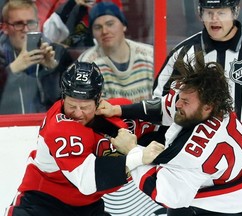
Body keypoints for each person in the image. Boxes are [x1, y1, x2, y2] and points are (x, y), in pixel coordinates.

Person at [96, 53, 242, 215]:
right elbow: (165, 107)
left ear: (207, 107)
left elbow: (164, 195)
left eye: (185, 102)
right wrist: (118, 110)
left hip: (236, 204)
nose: (178, 104)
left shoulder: (194, 152)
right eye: (181, 98)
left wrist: (132, 151)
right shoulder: (218, 107)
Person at [152, 1, 242, 214]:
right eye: (209, 12)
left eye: (221, 12)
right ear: (200, 14)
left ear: (235, 12)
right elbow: (161, 102)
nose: (215, 19)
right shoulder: (184, 52)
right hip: (195, 169)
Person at [4, 60, 162, 216]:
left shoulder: (119, 115)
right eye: (72, 106)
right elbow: (87, 181)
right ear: (63, 98)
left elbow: (163, 132)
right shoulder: (59, 126)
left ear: (98, 100)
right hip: (43, 204)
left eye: (85, 107)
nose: (78, 114)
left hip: (88, 206)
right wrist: (138, 155)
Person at [0, 0, 74, 114]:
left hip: (47, 127)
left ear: (39, 24)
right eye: (18, 24)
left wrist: (52, 70)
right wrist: (12, 69)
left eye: (31, 23)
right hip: (8, 128)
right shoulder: (1, 57)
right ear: (5, 27)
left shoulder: (58, 53)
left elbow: (70, 105)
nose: (26, 29)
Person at [77, 2, 154, 103]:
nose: (104, 31)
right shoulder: (87, 64)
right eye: (98, 27)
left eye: (110, 24)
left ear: (124, 26)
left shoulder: (151, 56)